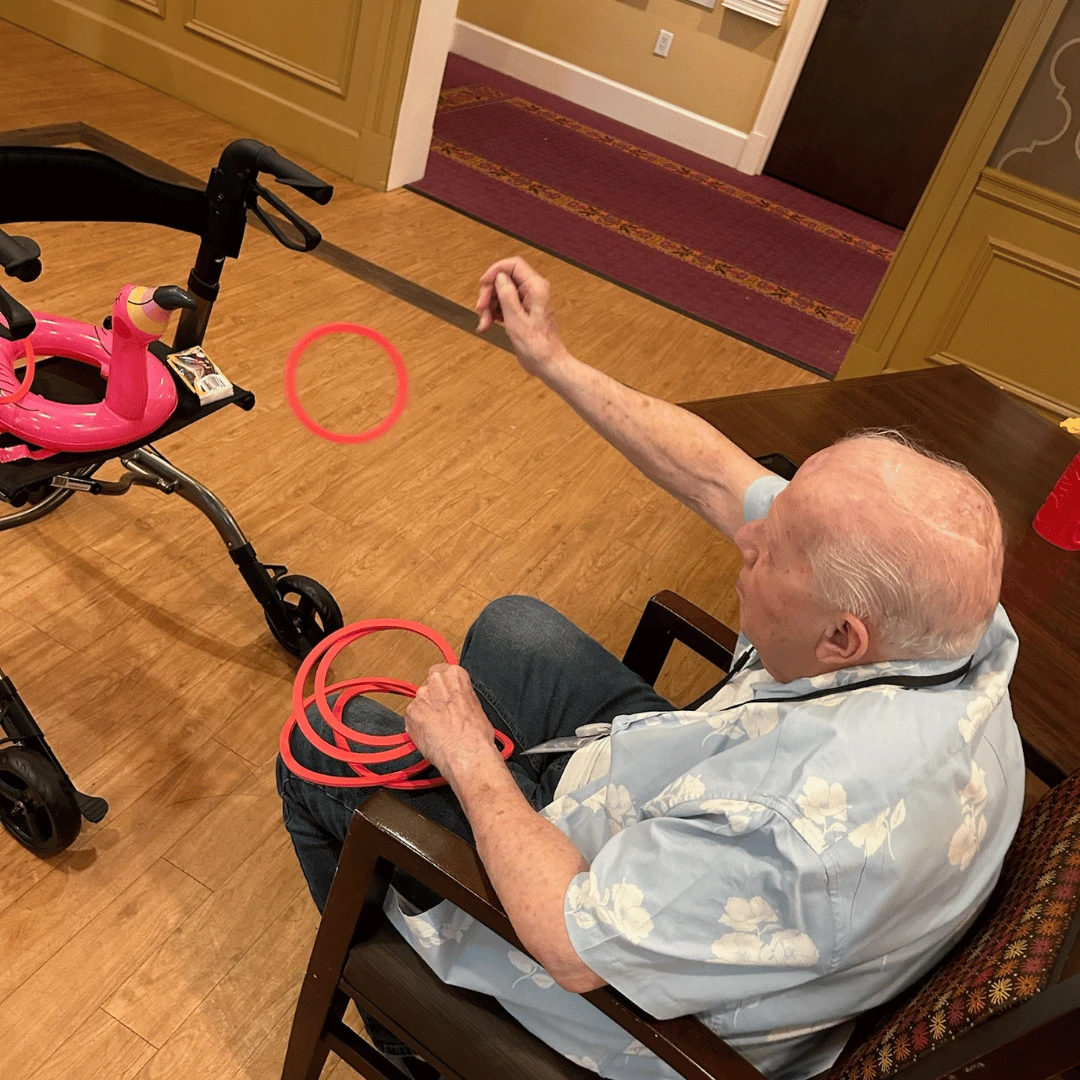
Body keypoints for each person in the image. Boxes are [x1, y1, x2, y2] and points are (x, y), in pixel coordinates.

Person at [277, 257, 1024, 1080]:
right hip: (695, 820)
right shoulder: (955, 622)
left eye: (770, 553)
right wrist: (552, 357)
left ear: (842, 639)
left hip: (617, 998)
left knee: (322, 742)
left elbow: (570, 945)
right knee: (511, 630)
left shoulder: (789, 833)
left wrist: (467, 759)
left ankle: (408, 1036)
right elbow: (716, 475)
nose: (746, 536)